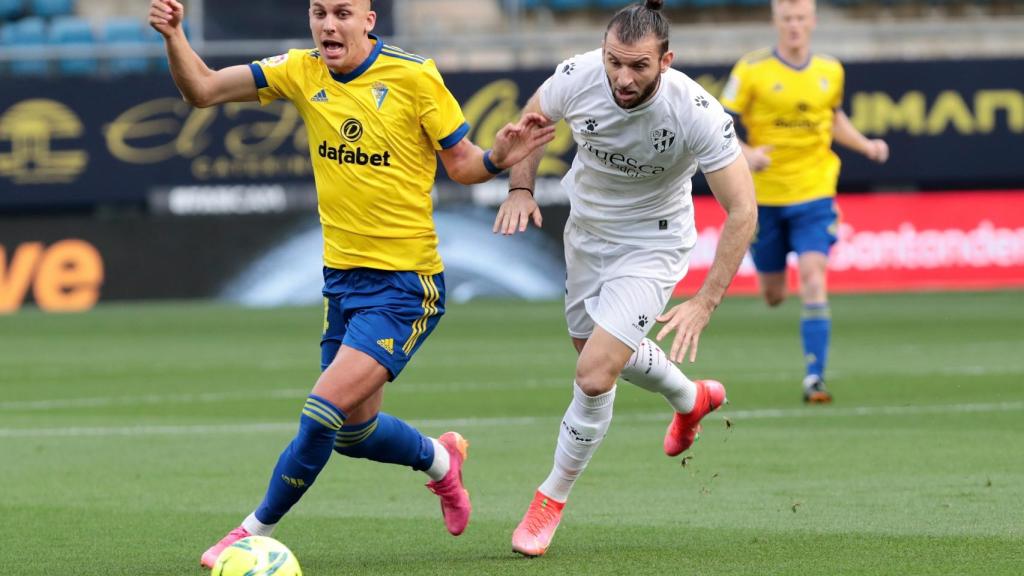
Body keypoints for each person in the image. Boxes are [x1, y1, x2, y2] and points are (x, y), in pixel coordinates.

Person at [148, 0, 555, 568]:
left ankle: (247, 532)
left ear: (369, 19)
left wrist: (496, 159)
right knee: (353, 435)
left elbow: (460, 164)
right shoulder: (300, 69)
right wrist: (173, 34)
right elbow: (204, 88)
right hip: (342, 283)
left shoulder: (414, 76)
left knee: (321, 411)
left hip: (404, 286)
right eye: (319, 12)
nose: (328, 25)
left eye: (342, 12)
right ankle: (441, 460)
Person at [492, 0, 757, 558]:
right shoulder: (578, 75)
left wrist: (704, 302)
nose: (622, 77)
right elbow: (530, 125)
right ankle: (690, 398)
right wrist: (521, 188)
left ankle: (549, 500)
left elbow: (743, 210)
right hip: (586, 234)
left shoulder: (695, 111)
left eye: (638, 66)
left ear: (666, 61)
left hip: (653, 243)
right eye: (615, 62)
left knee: (593, 375)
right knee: (595, 350)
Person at [719, 0, 889, 403]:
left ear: (812, 22)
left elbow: (833, 118)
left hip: (815, 191)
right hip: (765, 197)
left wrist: (865, 145)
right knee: (774, 294)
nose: (794, 25)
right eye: (787, 18)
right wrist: (746, 152)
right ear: (776, 22)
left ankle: (815, 378)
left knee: (814, 278)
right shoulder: (752, 69)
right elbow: (720, 121)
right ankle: (779, 287)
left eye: (801, 18)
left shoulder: (831, 70)